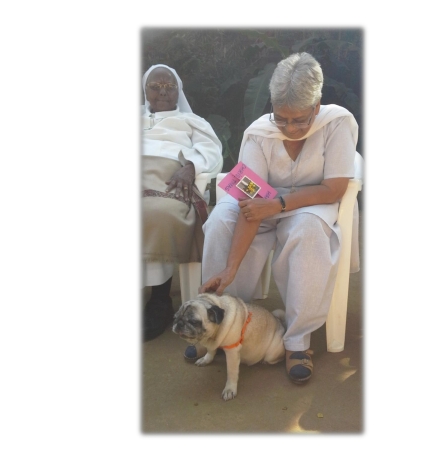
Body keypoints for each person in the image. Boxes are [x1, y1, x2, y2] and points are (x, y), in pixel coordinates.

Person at [196, 53, 360, 383]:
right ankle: (224, 325)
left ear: (317, 106)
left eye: (300, 120)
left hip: (313, 201)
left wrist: (279, 205)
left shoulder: (336, 123)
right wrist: (230, 268)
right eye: (281, 118)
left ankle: (297, 341)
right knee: (220, 222)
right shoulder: (259, 133)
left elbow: (334, 187)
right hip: (264, 203)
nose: (290, 128)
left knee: (309, 230)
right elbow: (251, 203)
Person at [141, 64, 223, 341]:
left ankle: (159, 299)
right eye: (155, 86)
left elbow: (212, 153)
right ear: (145, 90)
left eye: (170, 87)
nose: (163, 92)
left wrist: (190, 167)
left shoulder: (192, 121)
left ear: (179, 91)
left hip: (170, 179)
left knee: (159, 212)